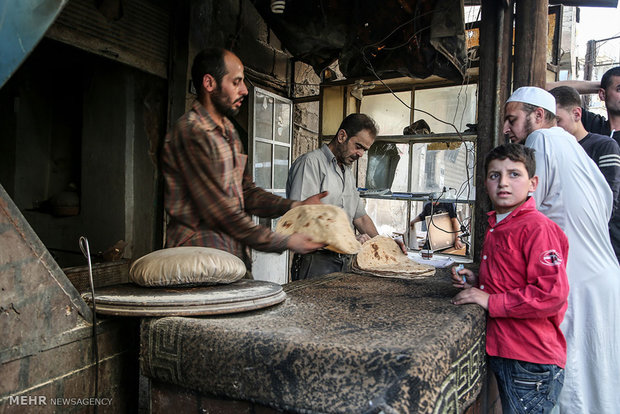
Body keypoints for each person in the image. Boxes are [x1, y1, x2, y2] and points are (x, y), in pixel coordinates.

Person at [503, 86, 620, 413]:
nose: (506, 129)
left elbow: (523, 214)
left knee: (574, 389)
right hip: (604, 279)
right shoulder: (572, 145)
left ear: (538, 116)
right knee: (602, 385)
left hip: (577, 286)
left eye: (512, 119)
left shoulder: (542, 140)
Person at [161, 48, 326, 270]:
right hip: (197, 262)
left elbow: (246, 192)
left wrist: (295, 206)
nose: (245, 90)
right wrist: (286, 241)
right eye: (236, 82)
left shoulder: (228, 130)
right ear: (209, 84)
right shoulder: (192, 133)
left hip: (230, 257)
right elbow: (221, 213)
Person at [451, 143, 569, 414]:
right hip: (510, 352)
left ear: (533, 183)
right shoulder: (501, 224)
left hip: (530, 359)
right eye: (495, 175)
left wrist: (491, 301)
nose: (503, 182)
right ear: (485, 183)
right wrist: (477, 281)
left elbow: (551, 294)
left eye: (514, 174)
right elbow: (514, 279)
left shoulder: (537, 228)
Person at [286, 113, 405, 280]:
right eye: (358, 146)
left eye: (365, 149)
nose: (361, 154)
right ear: (342, 136)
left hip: (346, 262)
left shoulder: (347, 172)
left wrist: (385, 245)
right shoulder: (310, 164)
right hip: (316, 262)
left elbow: (361, 218)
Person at [549, 85, 620, 263]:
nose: (554, 128)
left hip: (600, 241)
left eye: (558, 121)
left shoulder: (603, 145)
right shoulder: (552, 149)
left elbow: (610, 200)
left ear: (577, 115)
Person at [547, 66, 620, 145]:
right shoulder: (593, 124)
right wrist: (602, 85)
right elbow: (546, 90)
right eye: (619, 89)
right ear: (602, 94)